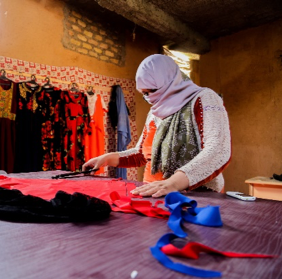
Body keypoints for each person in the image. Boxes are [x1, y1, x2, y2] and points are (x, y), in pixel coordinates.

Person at [82, 54, 231, 197]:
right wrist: (106, 159)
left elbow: (218, 150)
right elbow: (141, 154)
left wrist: (173, 183)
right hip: (153, 193)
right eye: (144, 93)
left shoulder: (204, 99)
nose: (149, 98)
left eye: (152, 91)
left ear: (170, 81)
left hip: (196, 196)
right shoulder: (156, 111)